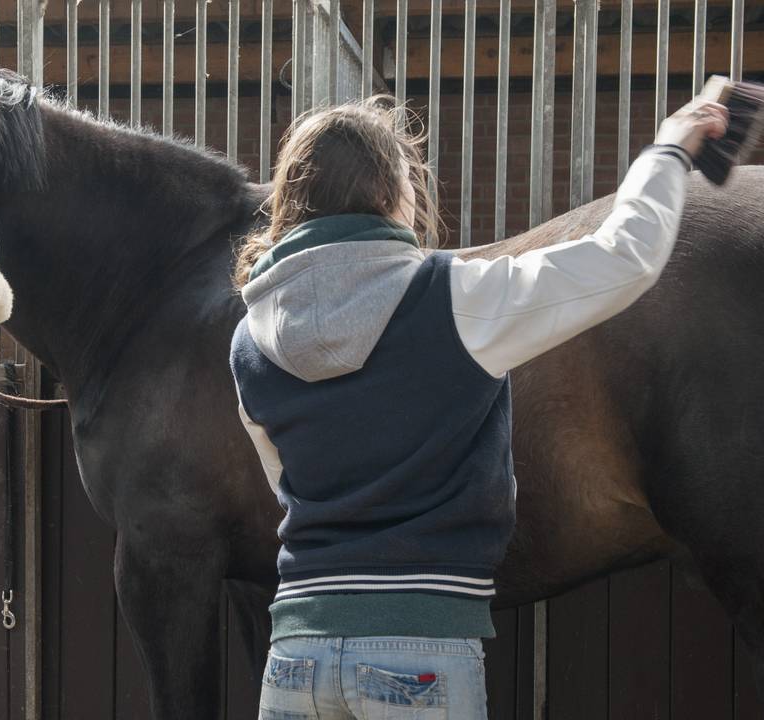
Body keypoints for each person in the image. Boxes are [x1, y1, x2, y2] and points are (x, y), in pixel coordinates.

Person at [229, 95, 728, 720]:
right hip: (419, 649)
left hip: (295, 652)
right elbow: (625, 255)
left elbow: (287, 485)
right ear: (392, 193)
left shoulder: (249, 339)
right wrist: (670, 148)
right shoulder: (456, 299)